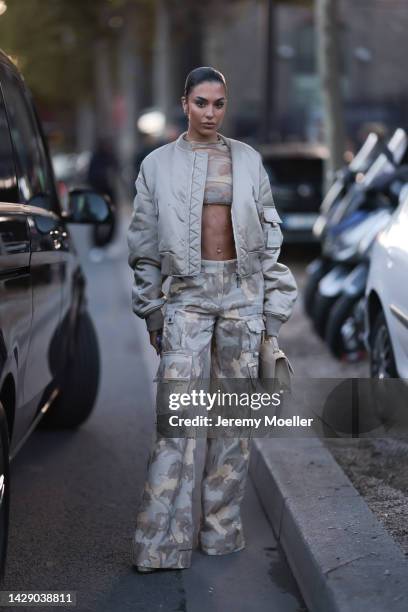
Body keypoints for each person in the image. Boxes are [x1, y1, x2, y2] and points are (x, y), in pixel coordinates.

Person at [127, 67, 297, 572]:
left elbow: (270, 244)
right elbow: (142, 247)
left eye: (219, 103)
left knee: (231, 425)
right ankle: (160, 544)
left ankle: (221, 533)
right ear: (185, 103)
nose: (210, 112)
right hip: (187, 298)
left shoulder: (248, 160)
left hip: (242, 296)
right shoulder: (156, 165)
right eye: (201, 102)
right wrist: (153, 312)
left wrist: (272, 315)